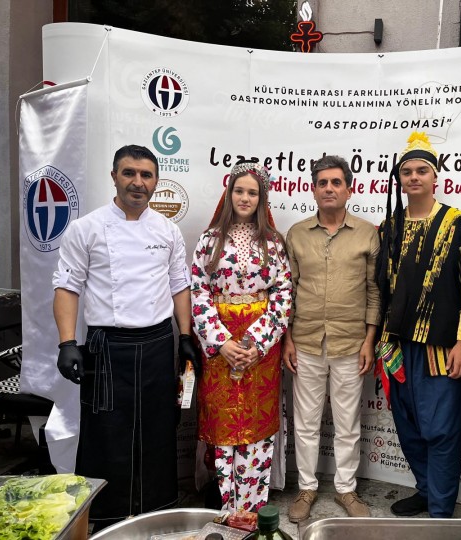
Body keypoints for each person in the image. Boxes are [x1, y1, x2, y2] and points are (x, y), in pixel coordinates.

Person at [53, 144, 199, 529]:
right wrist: (67, 343)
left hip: (157, 344)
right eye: (129, 173)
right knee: (106, 433)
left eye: (146, 175)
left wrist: (185, 336)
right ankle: (105, 516)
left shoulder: (167, 230)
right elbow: (67, 287)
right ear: (114, 176)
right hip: (106, 346)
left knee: (158, 429)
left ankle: (157, 509)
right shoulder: (86, 228)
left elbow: (179, 285)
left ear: (156, 181)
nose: (138, 182)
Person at [375, 132, 461, 518]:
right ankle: (425, 491)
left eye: (421, 170)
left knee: (440, 429)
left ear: (435, 176)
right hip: (396, 345)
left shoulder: (460, 224)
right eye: (406, 171)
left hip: (439, 347)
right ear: (399, 179)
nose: (414, 177)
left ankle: (440, 511)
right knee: (407, 425)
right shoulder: (388, 227)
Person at [191, 159, 292, 513]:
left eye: (252, 192)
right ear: (229, 193)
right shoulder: (209, 240)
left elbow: (282, 294)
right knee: (223, 426)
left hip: (260, 352)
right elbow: (199, 292)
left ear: (262, 198)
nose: (245, 198)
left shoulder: (273, 243)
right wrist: (221, 342)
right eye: (239, 191)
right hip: (220, 350)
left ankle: (251, 509)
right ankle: (226, 507)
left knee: (256, 426)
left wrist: (255, 344)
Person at [284, 155, 380, 522]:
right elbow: (287, 291)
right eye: (322, 183)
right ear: (312, 189)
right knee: (306, 422)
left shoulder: (367, 233)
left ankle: (346, 489)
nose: (329, 188)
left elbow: (374, 291)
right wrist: (287, 339)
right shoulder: (297, 234)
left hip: (351, 343)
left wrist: (369, 340)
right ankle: (306, 488)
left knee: (347, 423)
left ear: (349, 190)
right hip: (305, 341)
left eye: (336, 182)